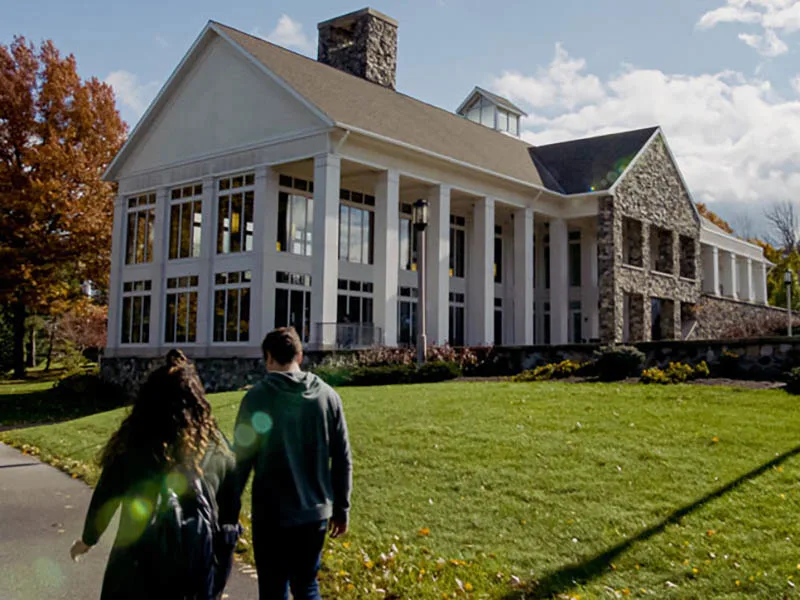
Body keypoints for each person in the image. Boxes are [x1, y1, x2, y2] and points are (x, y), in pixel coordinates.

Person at [69, 350, 241, 600]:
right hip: (192, 570)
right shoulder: (217, 448)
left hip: (135, 566)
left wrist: (88, 540)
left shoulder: (133, 445)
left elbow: (106, 497)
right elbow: (229, 515)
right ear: (197, 401)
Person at [235, 327, 352, 600]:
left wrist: (229, 511)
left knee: (274, 589)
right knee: (307, 585)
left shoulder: (257, 398)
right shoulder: (328, 397)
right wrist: (341, 508)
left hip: (272, 515)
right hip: (315, 514)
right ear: (299, 355)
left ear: (268, 358)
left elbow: (242, 461)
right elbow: (343, 456)